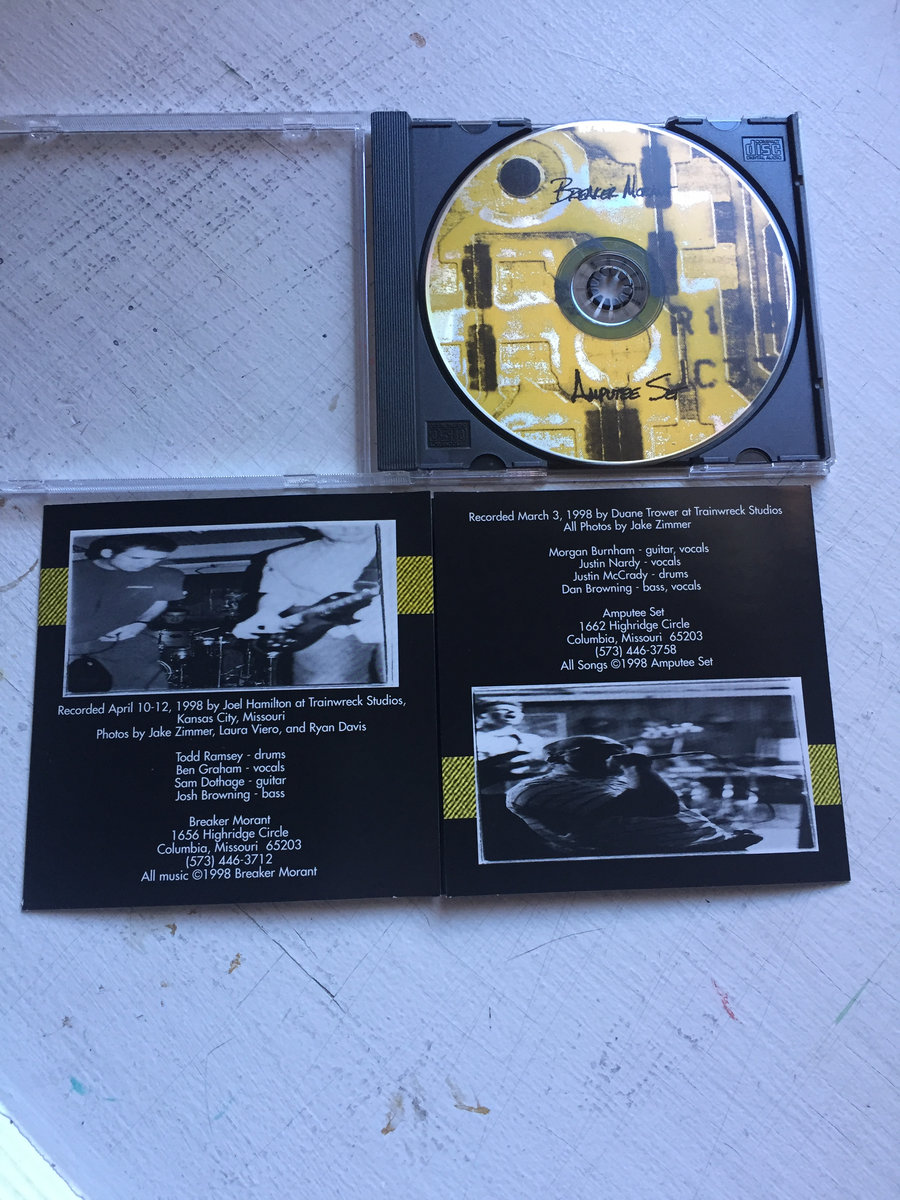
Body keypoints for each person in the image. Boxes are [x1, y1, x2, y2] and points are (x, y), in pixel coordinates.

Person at [505, 735, 762, 857]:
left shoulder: (617, 780)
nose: (615, 755)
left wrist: (726, 838)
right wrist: (636, 766)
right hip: (667, 862)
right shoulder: (535, 789)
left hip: (711, 849)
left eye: (620, 750)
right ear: (555, 758)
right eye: (595, 749)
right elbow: (660, 807)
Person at [231, 524, 385, 685]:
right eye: (334, 522)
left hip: (391, 626)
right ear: (311, 523)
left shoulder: (396, 545)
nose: (349, 527)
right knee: (323, 686)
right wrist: (266, 613)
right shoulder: (285, 559)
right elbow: (278, 594)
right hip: (329, 632)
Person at [68, 533, 184, 692]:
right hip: (73, 646)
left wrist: (140, 623)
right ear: (107, 553)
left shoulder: (167, 575)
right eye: (137, 558)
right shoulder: (68, 572)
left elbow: (160, 601)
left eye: (158, 559)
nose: (148, 564)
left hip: (130, 645)